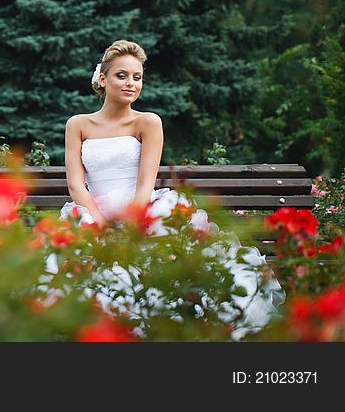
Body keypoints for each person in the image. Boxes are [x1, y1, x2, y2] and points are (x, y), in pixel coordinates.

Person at [46, 39, 284, 337]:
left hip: (140, 207)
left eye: (137, 77)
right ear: (103, 79)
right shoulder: (78, 124)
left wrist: (130, 223)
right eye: (122, 76)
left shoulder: (147, 122)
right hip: (91, 210)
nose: (131, 83)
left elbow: (146, 183)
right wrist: (101, 223)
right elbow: (75, 184)